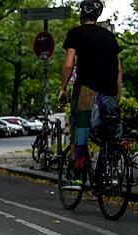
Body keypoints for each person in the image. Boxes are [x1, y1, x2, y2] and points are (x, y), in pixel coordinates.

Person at [58, 0, 122, 173]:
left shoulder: (75, 33)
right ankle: (107, 170)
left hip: (85, 91)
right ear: (97, 15)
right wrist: (117, 94)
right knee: (109, 132)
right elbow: (118, 69)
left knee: (80, 130)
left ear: (81, 14)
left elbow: (69, 65)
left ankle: (78, 174)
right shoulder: (109, 36)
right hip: (108, 92)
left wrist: (63, 89)